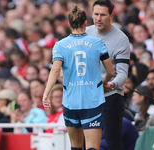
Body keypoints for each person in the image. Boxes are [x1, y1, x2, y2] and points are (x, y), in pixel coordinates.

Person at [43, 5, 114, 150]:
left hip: (71, 102)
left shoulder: (60, 45)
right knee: (93, 147)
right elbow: (111, 72)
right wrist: (103, 82)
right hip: (92, 101)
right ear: (86, 23)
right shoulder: (98, 43)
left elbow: (55, 69)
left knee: (75, 146)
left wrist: (46, 93)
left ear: (69, 24)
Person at [86, 0, 130, 149]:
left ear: (111, 16)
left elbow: (123, 73)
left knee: (113, 142)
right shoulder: (85, 33)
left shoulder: (121, 39)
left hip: (111, 96)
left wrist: (112, 84)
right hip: (89, 95)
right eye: (96, 14)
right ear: (91, 14)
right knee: (88, 143)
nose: (98, 18)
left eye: (103, 15)